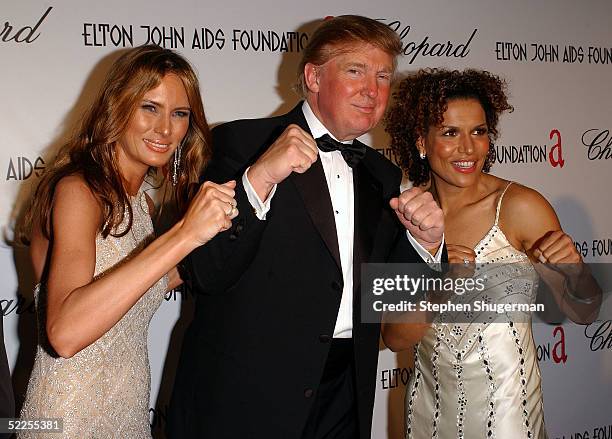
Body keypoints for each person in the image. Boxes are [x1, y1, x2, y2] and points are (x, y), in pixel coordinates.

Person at [168, 15, 445, 439]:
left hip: (345, 393)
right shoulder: (240, 144)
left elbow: (391, 303)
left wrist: (427, 246)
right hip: (246, 397)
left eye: (384, 75)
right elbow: (206, 271)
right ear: (313, 76)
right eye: (355, 70)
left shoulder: (382, 175)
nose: (372, 90)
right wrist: (256, 179)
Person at [18, 45, 237, 438]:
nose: (165, 129)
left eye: (179, 114)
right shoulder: (77, 190)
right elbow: (65, 334)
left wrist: (255, 191)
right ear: (117, 107)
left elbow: (151, 280)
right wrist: (184, 234)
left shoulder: (141, 205)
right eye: (149, 107)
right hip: (67, 422)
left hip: (128, 416)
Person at [382, 68, 601, 439]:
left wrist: (577, 272)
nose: (468, 148)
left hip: (507, 416)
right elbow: (393, 337)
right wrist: (442, 290)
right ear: (422, 141)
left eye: (479, 132)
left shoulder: (520, 207)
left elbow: (585, 311)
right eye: (450, 133)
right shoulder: (405, 215)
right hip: (428, 414)